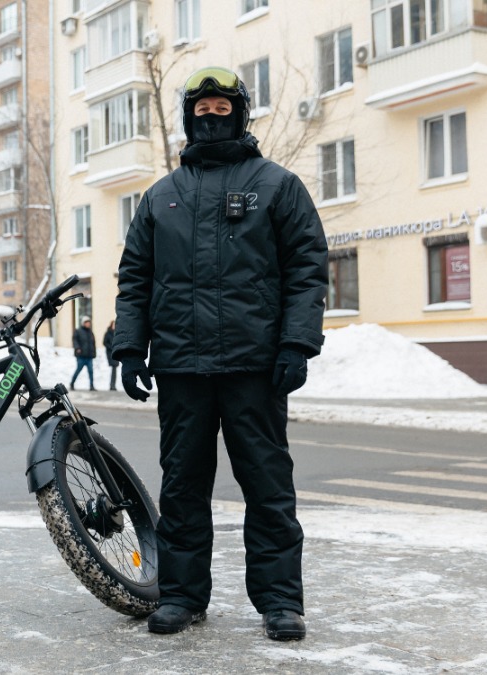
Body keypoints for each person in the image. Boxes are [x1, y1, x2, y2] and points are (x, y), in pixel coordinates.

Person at [112, 67, 328, 640]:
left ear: (240, 114)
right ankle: (182, 596)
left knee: (268, 486)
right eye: (202, 111)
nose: (212, 118)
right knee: (182, 487)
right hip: (182, 367)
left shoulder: (277, 185)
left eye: (221, 109)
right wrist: (130, 347)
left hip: (254, 367)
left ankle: (281, 602)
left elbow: (307, 270)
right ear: (189, 119)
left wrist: (297, 343)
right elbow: (134, 276)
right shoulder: (162, 196)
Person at [69, 316, 97, 391]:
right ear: (83, 323)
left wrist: (94, 353)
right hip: (81, 356)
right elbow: (74, 340)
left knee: (91, 371)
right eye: (87, 322)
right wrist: (77, 348)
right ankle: (72, 383)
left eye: (89, 323)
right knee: (78, 370)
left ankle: (91, 386)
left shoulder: (91, 332)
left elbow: (93, 344)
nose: (88, 324)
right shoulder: (78, 331)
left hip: (89, 356)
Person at [103, 320, 118, 391]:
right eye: (113, 324)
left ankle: (113, 385)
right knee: (113, 368)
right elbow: (105, 342)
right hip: (110, 353)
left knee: (114, 369)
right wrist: (111, 347)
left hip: (116, 352)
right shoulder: (108, 333)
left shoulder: (118, 332)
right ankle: (112, 385)